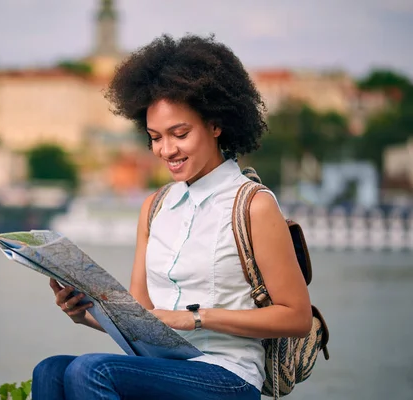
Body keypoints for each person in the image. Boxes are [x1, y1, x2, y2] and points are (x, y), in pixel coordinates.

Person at [32, 34, 312, 400]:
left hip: (228, 375)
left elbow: (295, 317)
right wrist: (85, 314)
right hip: (165, 364)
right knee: (50, 370)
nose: (166, 150)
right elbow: (143, 317)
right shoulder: (154, 207)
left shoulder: (253, 204)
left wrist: (196, 318)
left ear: (216, 124)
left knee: (91, 370)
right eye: (155, 137)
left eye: (179, 134)